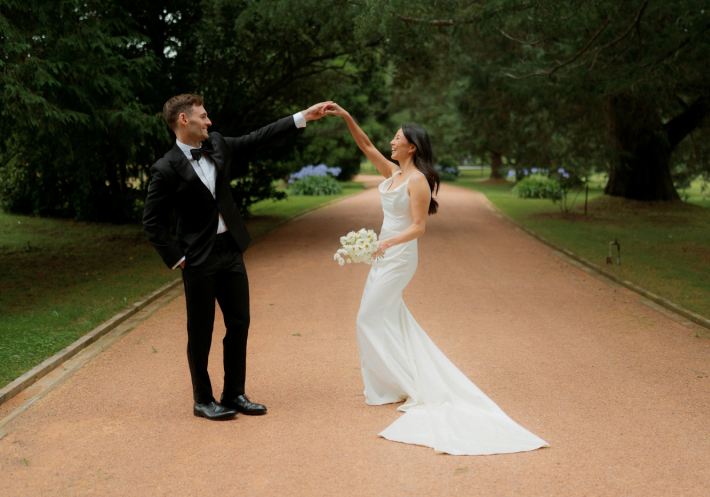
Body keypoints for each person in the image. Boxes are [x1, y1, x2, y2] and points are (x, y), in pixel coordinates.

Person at [323, 103, 549, 455]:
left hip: (398, 256)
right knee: (387, 317)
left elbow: (418, 227)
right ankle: (393, 383)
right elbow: (366, 146)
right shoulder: (392, 174)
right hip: (382, 254)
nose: (391, 142)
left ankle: (405, 382)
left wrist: (384, 243)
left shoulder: (417, 181)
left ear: (412, 147)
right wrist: (346, 117)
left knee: (367, 316)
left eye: (397, 139)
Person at [143, 94, 330, 421]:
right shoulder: (165, 168)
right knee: (200, 332)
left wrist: (303, 116)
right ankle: (203, 400)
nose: (209, 121)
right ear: (184, 120)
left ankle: (234, 393)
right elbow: (152, 223)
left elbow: (258, 138)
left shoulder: (216, 143)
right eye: (203, 116)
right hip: (197, 259)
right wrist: (179, 259)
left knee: (239, 323)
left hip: (230, 250)